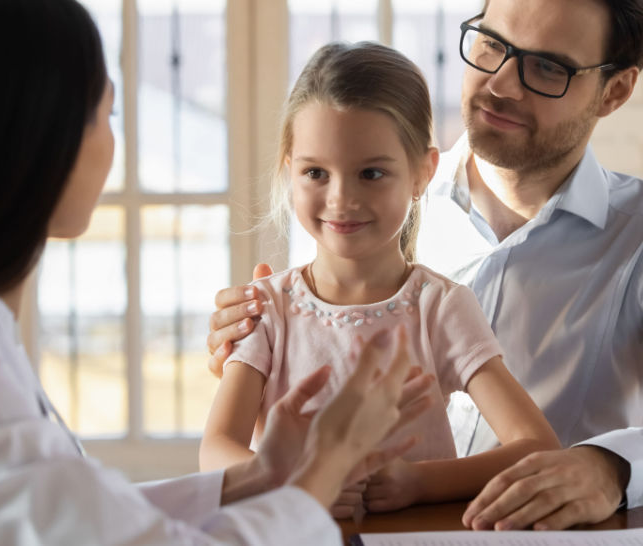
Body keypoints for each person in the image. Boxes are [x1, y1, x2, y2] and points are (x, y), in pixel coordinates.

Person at [0, 1, 435, 544]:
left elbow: (79, 516)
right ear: (38, 137)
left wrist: (261, 475)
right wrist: (327, 465)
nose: (113, 143)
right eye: (107, 112)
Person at [205, 0, 643, 531]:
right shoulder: (364, 200)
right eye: (490, 44)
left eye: (546, 67)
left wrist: (612, 467)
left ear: (614, 91)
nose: (499, 84)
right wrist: (249, 356)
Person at [197, 42, 560, 519]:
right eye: (315, 173)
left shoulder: (441, 307)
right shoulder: (267, 308)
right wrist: (299, 485)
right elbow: (215, 452)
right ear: (290, 171)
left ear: (421, 174)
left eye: (371, 173)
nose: (341, 199)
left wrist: (418, 482)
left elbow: (537, 447)